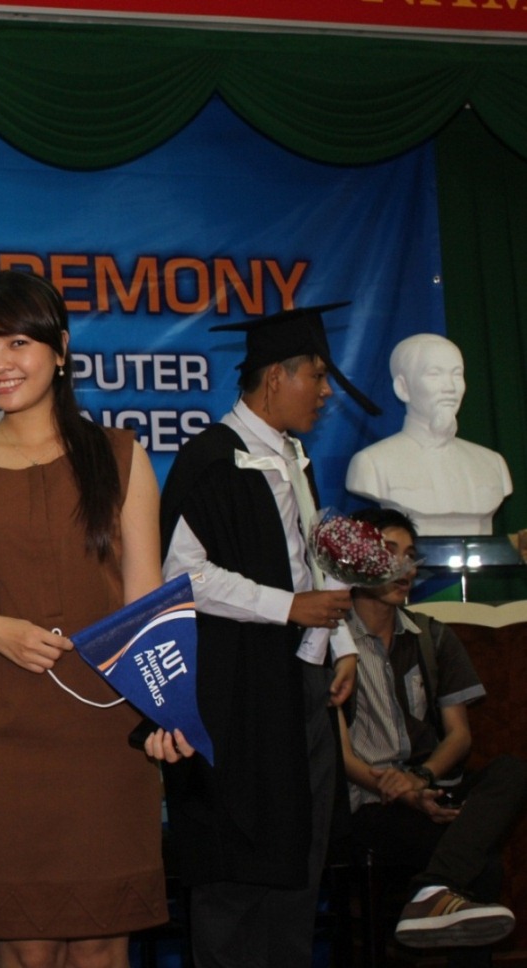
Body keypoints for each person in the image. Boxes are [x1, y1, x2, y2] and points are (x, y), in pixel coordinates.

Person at [0, 269, 181, 968]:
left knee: (103, 943)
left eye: (19, 342)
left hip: (107, 730)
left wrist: (169, 709)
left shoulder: (121, 456)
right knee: (25, 948)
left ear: (61, 349)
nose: (0, 363)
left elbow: (147, 605)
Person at [159, 302, 380, 967]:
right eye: (316, 376)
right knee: (238, 864)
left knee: (300, 856)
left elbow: (311, 557)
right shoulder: (210, 459)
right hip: (237, 694)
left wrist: (341, 645)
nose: (324, 392)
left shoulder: (293, 457)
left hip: (302, 687)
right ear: (275, 377)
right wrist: (287, 608)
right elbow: (182, 577)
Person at [338, 507, 527, 961]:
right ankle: (435, 892)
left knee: (511, 771)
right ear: (353, 561)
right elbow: (337, 752)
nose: (405, 568)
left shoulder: (431, 635)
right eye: (389, 553)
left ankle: (431, 889)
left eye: (411, 556)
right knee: (481, 865)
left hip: (428, 783)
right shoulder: (331, 640)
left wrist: (420, 779)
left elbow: (459, 737)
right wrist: (399, 790)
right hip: (366, 798)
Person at [346, 333, 512, 535]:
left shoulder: (492, 464)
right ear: (402, 388)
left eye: (457, 374)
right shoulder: (371, 463)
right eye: (434, 374)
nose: (450, 388)